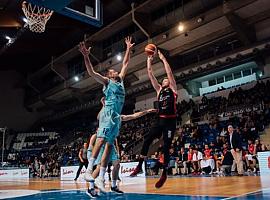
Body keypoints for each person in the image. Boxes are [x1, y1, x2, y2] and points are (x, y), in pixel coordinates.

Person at [79, 36, 134, 191]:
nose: (115, 71)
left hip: (116, 116)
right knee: (102, 140)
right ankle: (89, 170)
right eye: (112, 71)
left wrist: (128, 49)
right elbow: (91, 72)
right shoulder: (106, 82)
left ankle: (102, 178)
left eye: (115, 71)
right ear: (109, 76)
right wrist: (86, 57)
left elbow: (126, 63)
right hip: (108, 113)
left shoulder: (121, 80)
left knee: (110, 145)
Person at [86, 98, 156, 197]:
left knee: (117, 164)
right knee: (98, 168)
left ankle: (114, 186)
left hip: (111, 144)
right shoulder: (106, 115)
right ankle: (90, 188)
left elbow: (134, 116)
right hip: (103, 144)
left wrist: (147, 111)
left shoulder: (119, 117)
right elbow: (98, 117)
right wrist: (104, 105)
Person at [130, 50, 178, 188]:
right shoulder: (159, 90)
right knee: (147, 140)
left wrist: (162, 58)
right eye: (163, 80)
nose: (165, 80)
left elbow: (169, 72)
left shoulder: (173, 89)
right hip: (159, 120)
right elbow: (150, 74)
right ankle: (139, 166)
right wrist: (149, 60)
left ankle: (164, 174)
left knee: (166, 147)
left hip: (170, 121)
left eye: (166, 80)